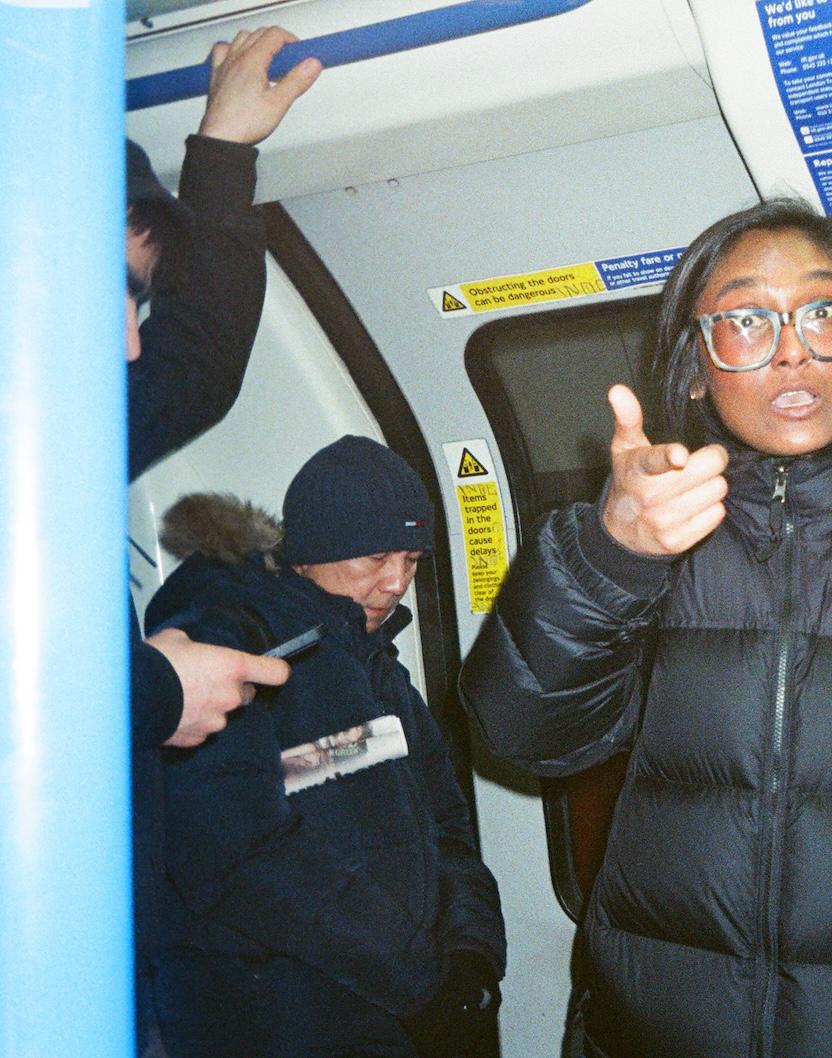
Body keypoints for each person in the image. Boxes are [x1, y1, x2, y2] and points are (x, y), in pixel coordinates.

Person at [460, 199, 832, 1057]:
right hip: (653, 1032)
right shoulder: (645, 531)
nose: (793, 348)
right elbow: (522, 734)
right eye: (747, 319)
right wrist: (613, 555)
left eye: (824, 310)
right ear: (697, 370)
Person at [142, 435, 506, 1058]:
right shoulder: (235, 646)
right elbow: (239, 854)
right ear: (311, 554)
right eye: (375, 557)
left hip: (397, 1008)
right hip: (277, 1019)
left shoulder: (378, 666)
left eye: (413, 560)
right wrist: (419, 983)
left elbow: (446, 822)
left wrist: (472, 956)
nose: (396, 583)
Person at [125, 29, 321, 1050]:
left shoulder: (58, 434)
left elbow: (192, 361)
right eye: (113, 292)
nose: (130, 341)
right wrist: (155, 689)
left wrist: (224, 150)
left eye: (141, 302)